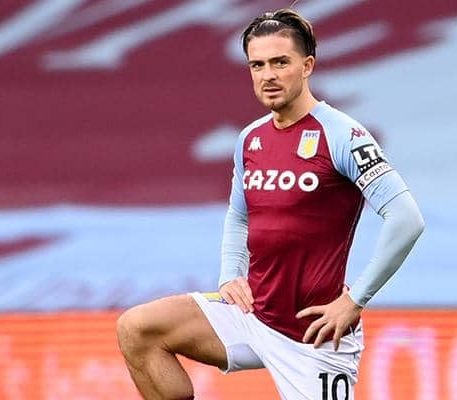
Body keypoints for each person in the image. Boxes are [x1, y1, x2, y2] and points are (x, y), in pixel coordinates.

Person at [116, 8, 424, 400]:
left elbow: (406, 218)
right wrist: (231, 273)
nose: (268, 75)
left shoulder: (344, 136)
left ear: (307, 66)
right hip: (254, 315)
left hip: (313, 334)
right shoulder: (250, 139)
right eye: (257, 65)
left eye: (280, 62)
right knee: (138, 329)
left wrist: (354, 301)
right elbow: (239, 214)